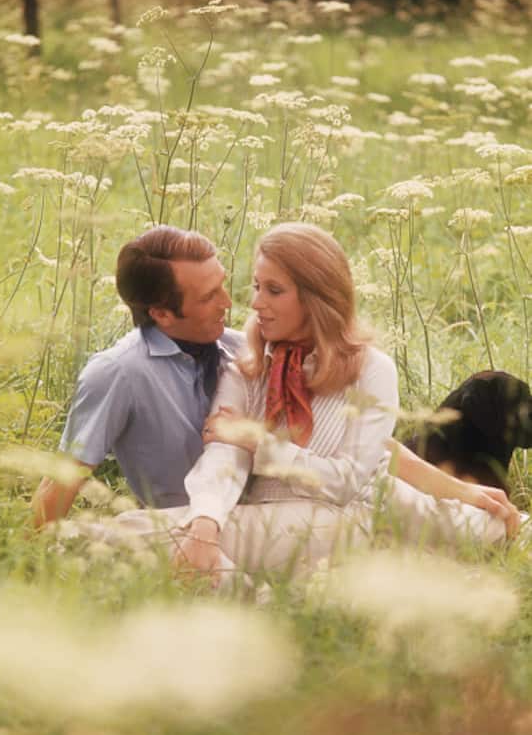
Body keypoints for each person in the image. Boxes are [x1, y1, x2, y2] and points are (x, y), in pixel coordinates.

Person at [110, 223, 522, 577]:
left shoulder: (371, 370)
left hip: (358, 510)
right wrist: (205, 523)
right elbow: (223, 455)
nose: (253, 303)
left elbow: (348, 480)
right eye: (256, 286)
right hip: (278, 515)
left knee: (497, 527)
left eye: (273, 290)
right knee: (128, 532)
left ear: (316, 297)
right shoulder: (248, 366)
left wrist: (259, 443)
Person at [32, 226, 243, 565]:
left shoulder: (242, 348)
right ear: (161, 314)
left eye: (222, 285)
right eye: (208, 296)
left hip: (271, 518)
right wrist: (25, 569)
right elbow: (62, 481)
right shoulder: (117, 373)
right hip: (180, 534)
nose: (227, 303)